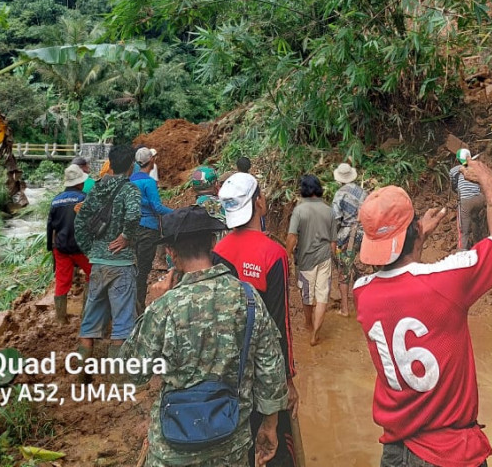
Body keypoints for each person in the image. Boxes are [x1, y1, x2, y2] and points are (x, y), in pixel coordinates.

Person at [353, 158, 492, 467]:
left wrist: (415, 237)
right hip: (449, 453)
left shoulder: (363, 293)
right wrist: (490, 186)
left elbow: (401, 274)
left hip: (396, 452)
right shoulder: (447, 282)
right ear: (414, 230)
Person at [121, 204, 289, 467]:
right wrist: (270, 424)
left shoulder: (165, 308)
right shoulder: (248, 298)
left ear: (170, 252)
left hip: (173, 448)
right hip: (231, 444)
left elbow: (133, 372)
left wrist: (150, 307)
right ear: (212, 242)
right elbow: (270, 366)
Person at [214, 172, 299, 467]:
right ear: (260, 202)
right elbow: (280, 323)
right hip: (264, 370)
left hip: (226, 371)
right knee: (276, 445)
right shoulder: (274, 255)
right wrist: (287, 378)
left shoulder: (217, 252)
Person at [74, 144, 144, 358]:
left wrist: (91, 250)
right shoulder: (130, 190)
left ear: (110, 164)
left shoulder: (96, 188)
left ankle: (81, 375)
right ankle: (117, 378)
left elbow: (80, 223)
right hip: (121, 263)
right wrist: (125, 236)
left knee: (89, 322)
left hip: (98, 263)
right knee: (122, 323)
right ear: (131, 166)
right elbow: (133, 215)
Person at [286, 174, 337, 346]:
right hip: (324, 257)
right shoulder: (329, 210)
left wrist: (287, 254)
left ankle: (308, 323)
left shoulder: (299, 210)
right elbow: (333, 242)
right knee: (322, 294)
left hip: (306, 259)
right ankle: (316, 332)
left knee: (307, 295)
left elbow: (292, 236)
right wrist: (333, 258)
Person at [129, 146, 174, 315]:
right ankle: (138, 307)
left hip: (132, 230)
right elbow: (157, 207)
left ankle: (130, 305)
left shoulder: (131, 181)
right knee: (143, 270)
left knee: (133, 268)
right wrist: (176, 212)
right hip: (148, 229)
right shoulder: (148, 182)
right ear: (152, 161)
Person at [46, 164, 92, 324]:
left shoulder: (55, 200)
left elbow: (50, 226)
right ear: (80, 183)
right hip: (81, 247)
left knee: (62, 280)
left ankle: (60, 319)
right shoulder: (84, 198)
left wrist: (50, 247)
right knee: (92, 275)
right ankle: (86, 315)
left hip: (61, 247)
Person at [331, 162, 367, 317]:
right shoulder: (363, 192)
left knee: (343, 273)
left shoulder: (340, 194)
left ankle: (345, 309)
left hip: (348, 235)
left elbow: (336, 219)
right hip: (365, 233)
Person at [450, 148, 487, 250]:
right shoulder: (476, 167)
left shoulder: (455, 170)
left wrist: (456, 189)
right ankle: (478, 245)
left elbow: (453, 182)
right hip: (480, 199)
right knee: (475, 219)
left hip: (466, 201)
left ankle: (461, 254)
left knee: (463, 231)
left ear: (458, 160)